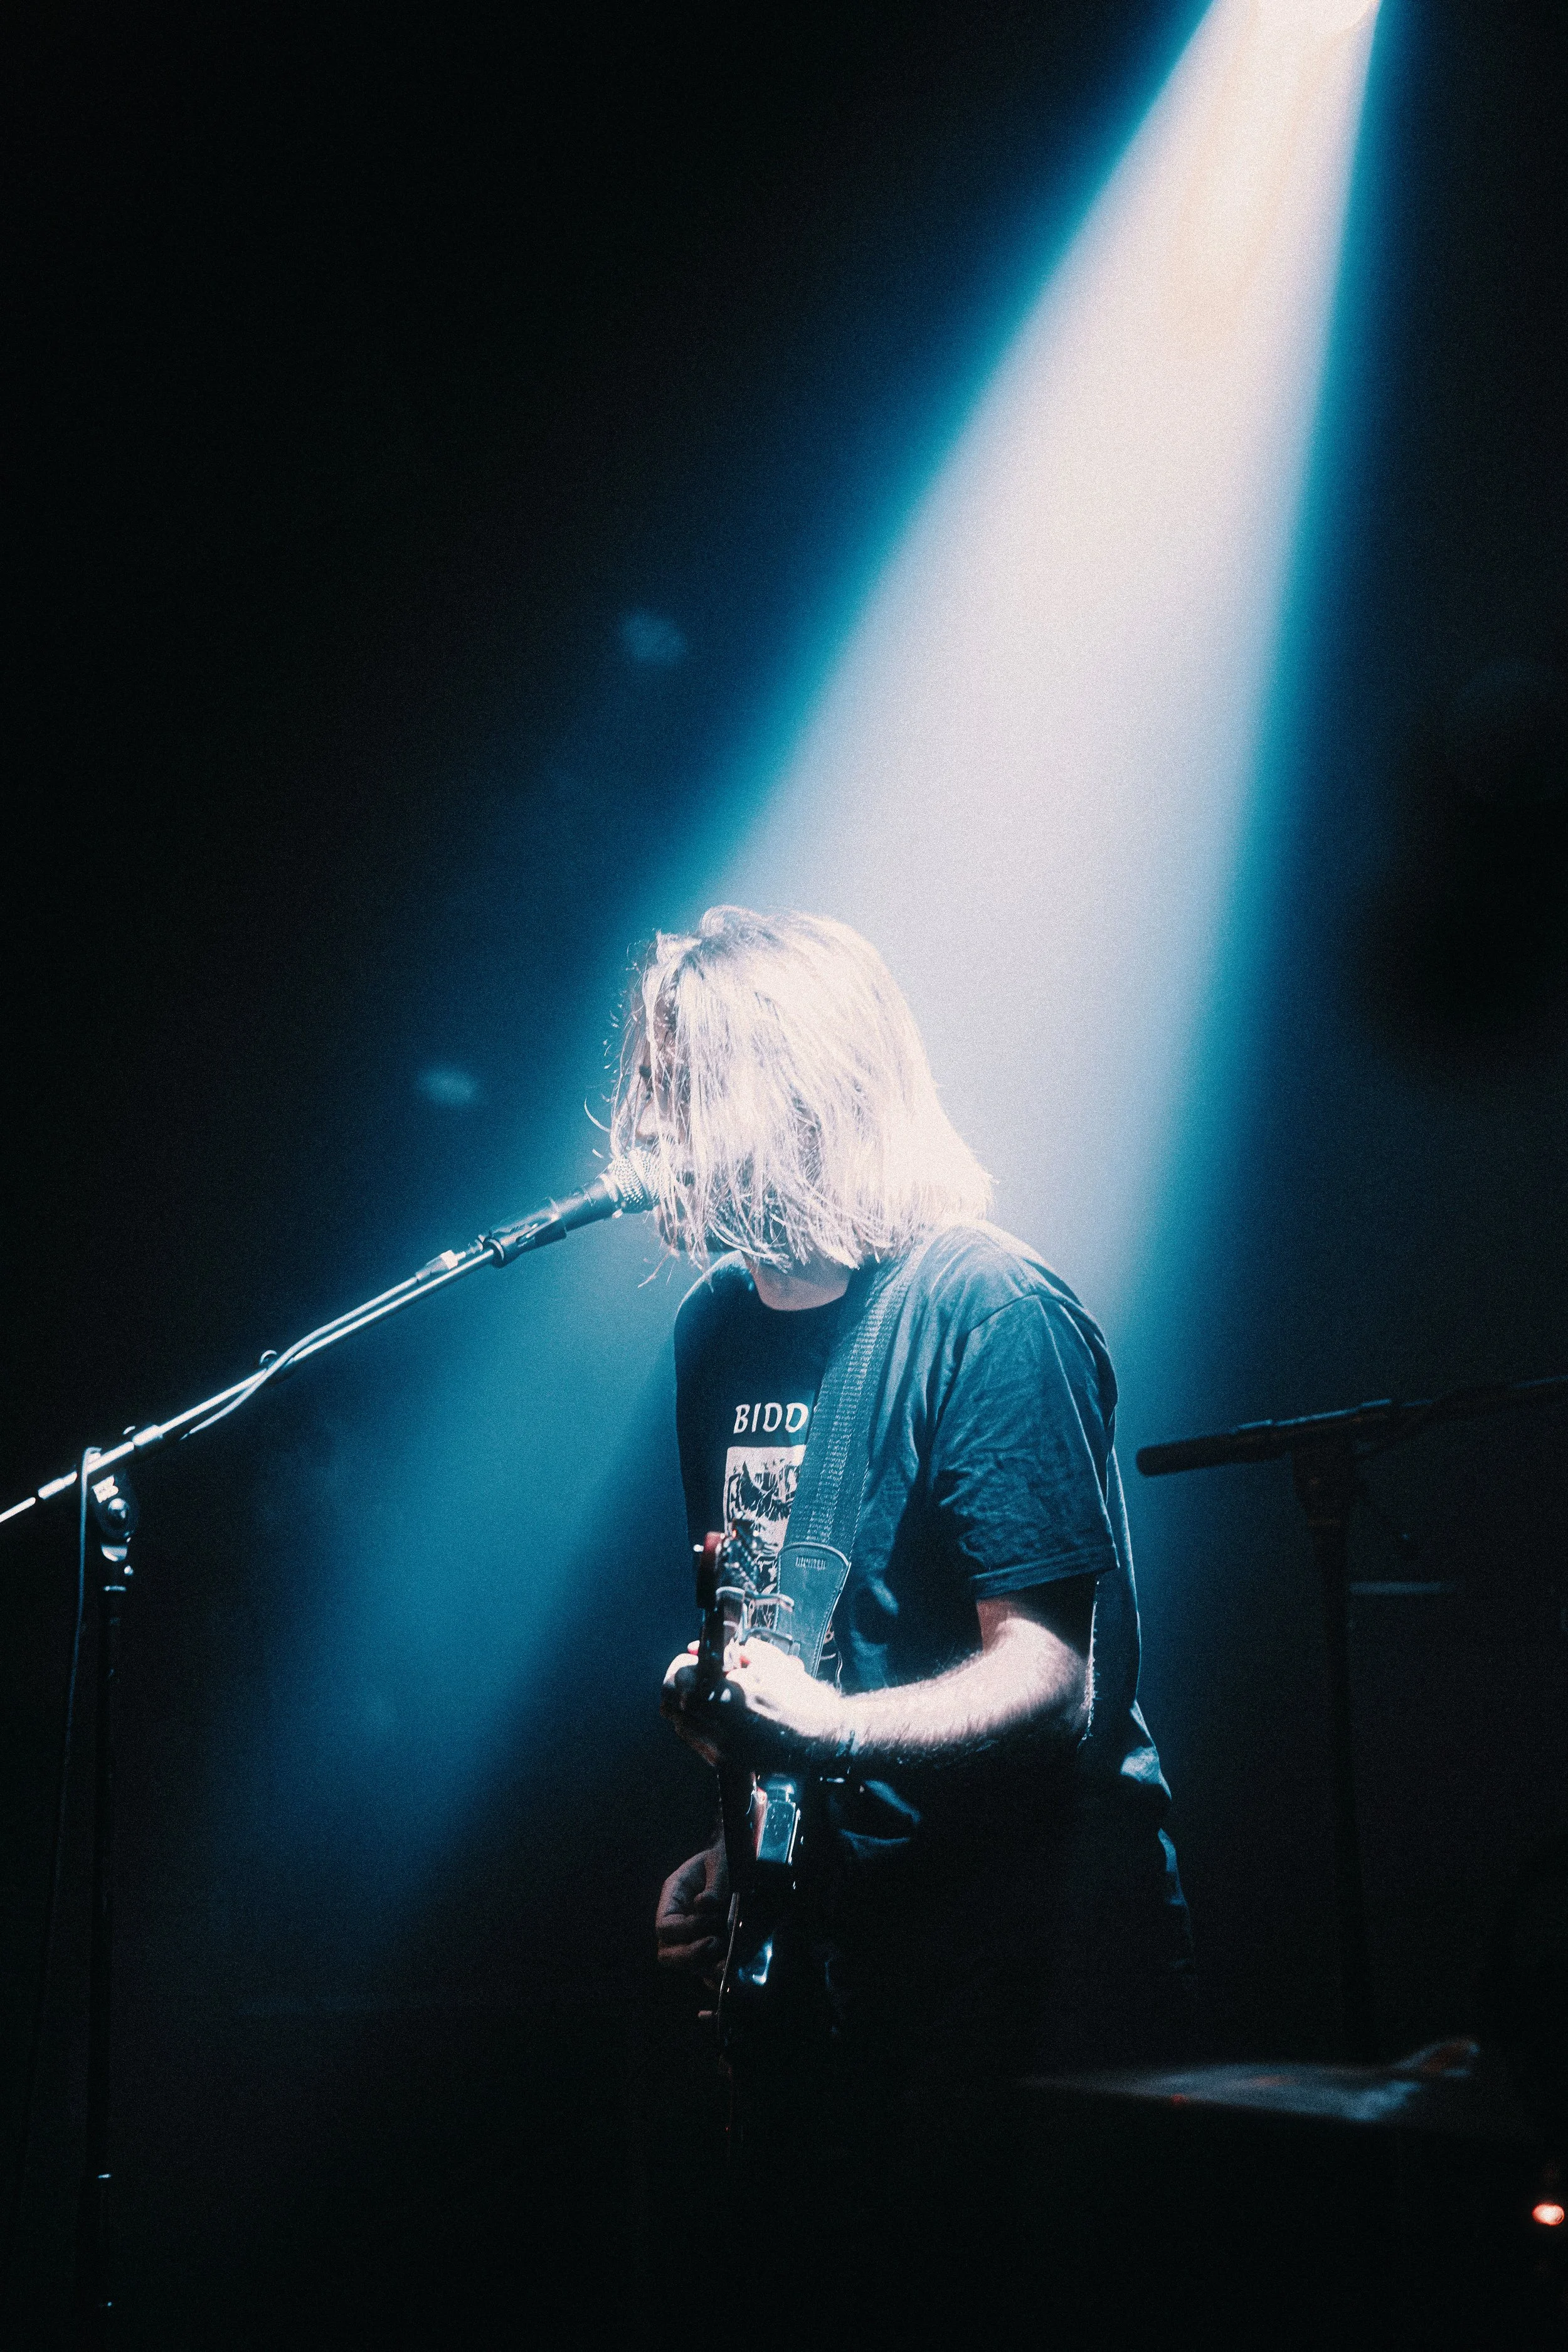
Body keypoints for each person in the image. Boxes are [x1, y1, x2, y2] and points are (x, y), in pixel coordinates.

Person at [622, 905, 1192, 2257]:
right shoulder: (714, 1329)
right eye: (655, 1093)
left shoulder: (987, 1311)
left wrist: (823, 1733)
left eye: (687, 1089)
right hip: (833, 1955)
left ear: (799, 1091)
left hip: (1023, 1957)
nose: (654, 1132)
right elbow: (800, 1637)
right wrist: (738, 1843)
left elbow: (1051, 1680)